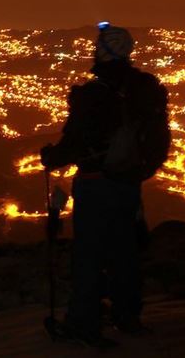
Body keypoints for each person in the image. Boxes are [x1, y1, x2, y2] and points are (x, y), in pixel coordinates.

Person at [40, 22, 170, 347]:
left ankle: (84, 323)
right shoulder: (145, 88)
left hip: (95, 183)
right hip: (127, 184)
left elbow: (73, 143)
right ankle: (128, 317)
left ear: (101, 52)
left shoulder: (93, 95)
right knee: (124, 251)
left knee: (89, 255)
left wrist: (50, 158)